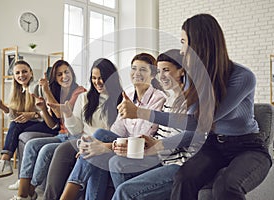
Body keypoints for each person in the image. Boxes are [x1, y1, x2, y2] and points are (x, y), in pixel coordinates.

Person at [112, 14, 272, 200]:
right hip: (212, 146)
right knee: (183, 178)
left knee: (226, 186)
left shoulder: (243, 77)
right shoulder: (192, 79)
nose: (182, 51)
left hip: (247, 147)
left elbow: (199, 122)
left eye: (184, 43)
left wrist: (140, 112)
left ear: (201, 45)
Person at [59, 53, 166, 200]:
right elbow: (117, 129)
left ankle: (67, 196)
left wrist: (104, 146)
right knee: (97, 147)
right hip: (125, 146)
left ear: (153, 74)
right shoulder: (127, 94)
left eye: (143, 70)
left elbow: (142, 137)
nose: (137, 73)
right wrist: (95, 146)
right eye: (134, 69)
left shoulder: (158, 98)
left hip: (144, 152)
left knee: (98, 147)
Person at [108, 49, 190, 197]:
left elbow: (183, 140)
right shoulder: (170, 100)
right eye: (159, 71)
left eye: (166, 70)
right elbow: (161, 134)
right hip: (161, 157)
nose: (161, 76)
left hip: (177, 165)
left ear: (181, 72)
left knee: (124, 190)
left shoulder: (188, 102)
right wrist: (149, 142)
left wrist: (152, 147)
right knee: (116, 163)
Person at [41, 58, 123, 200]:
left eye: (102, 78)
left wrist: (94, 145)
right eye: (94, 78)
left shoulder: (121, 100)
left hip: (106, 144)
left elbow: (116, 132)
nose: (97, 82)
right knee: (65, 151)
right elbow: (76, 129)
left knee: (97, 145)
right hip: (83, 141)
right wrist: (67, 113)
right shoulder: (84, 97)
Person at [10, 60, 86, 200]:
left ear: (72, 74)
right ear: (55, 78)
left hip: (76, 137)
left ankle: (28, 192)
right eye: (59, 74)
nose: (64, 76)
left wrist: (46, 90)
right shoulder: (59, 92)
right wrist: (43, 108)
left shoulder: (80, 92)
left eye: (66, 72)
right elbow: (53, 125)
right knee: (31, 144)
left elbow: (59, 113)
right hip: (62, 135)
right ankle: (23, 192)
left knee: (45, 150)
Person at [0, 60, 58, 181]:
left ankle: (5, 162)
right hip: (35, 124)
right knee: (16, 124)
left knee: (16, 125)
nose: (21, 75)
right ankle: (19, 176)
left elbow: (51, 112)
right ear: (14, 76)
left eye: (25, 71)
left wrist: (33, 115)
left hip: (48, 124)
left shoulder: (38, 87)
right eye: (18, 73)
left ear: (31, 72)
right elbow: (17, 116)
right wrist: (3, 107)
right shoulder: (18, 91)